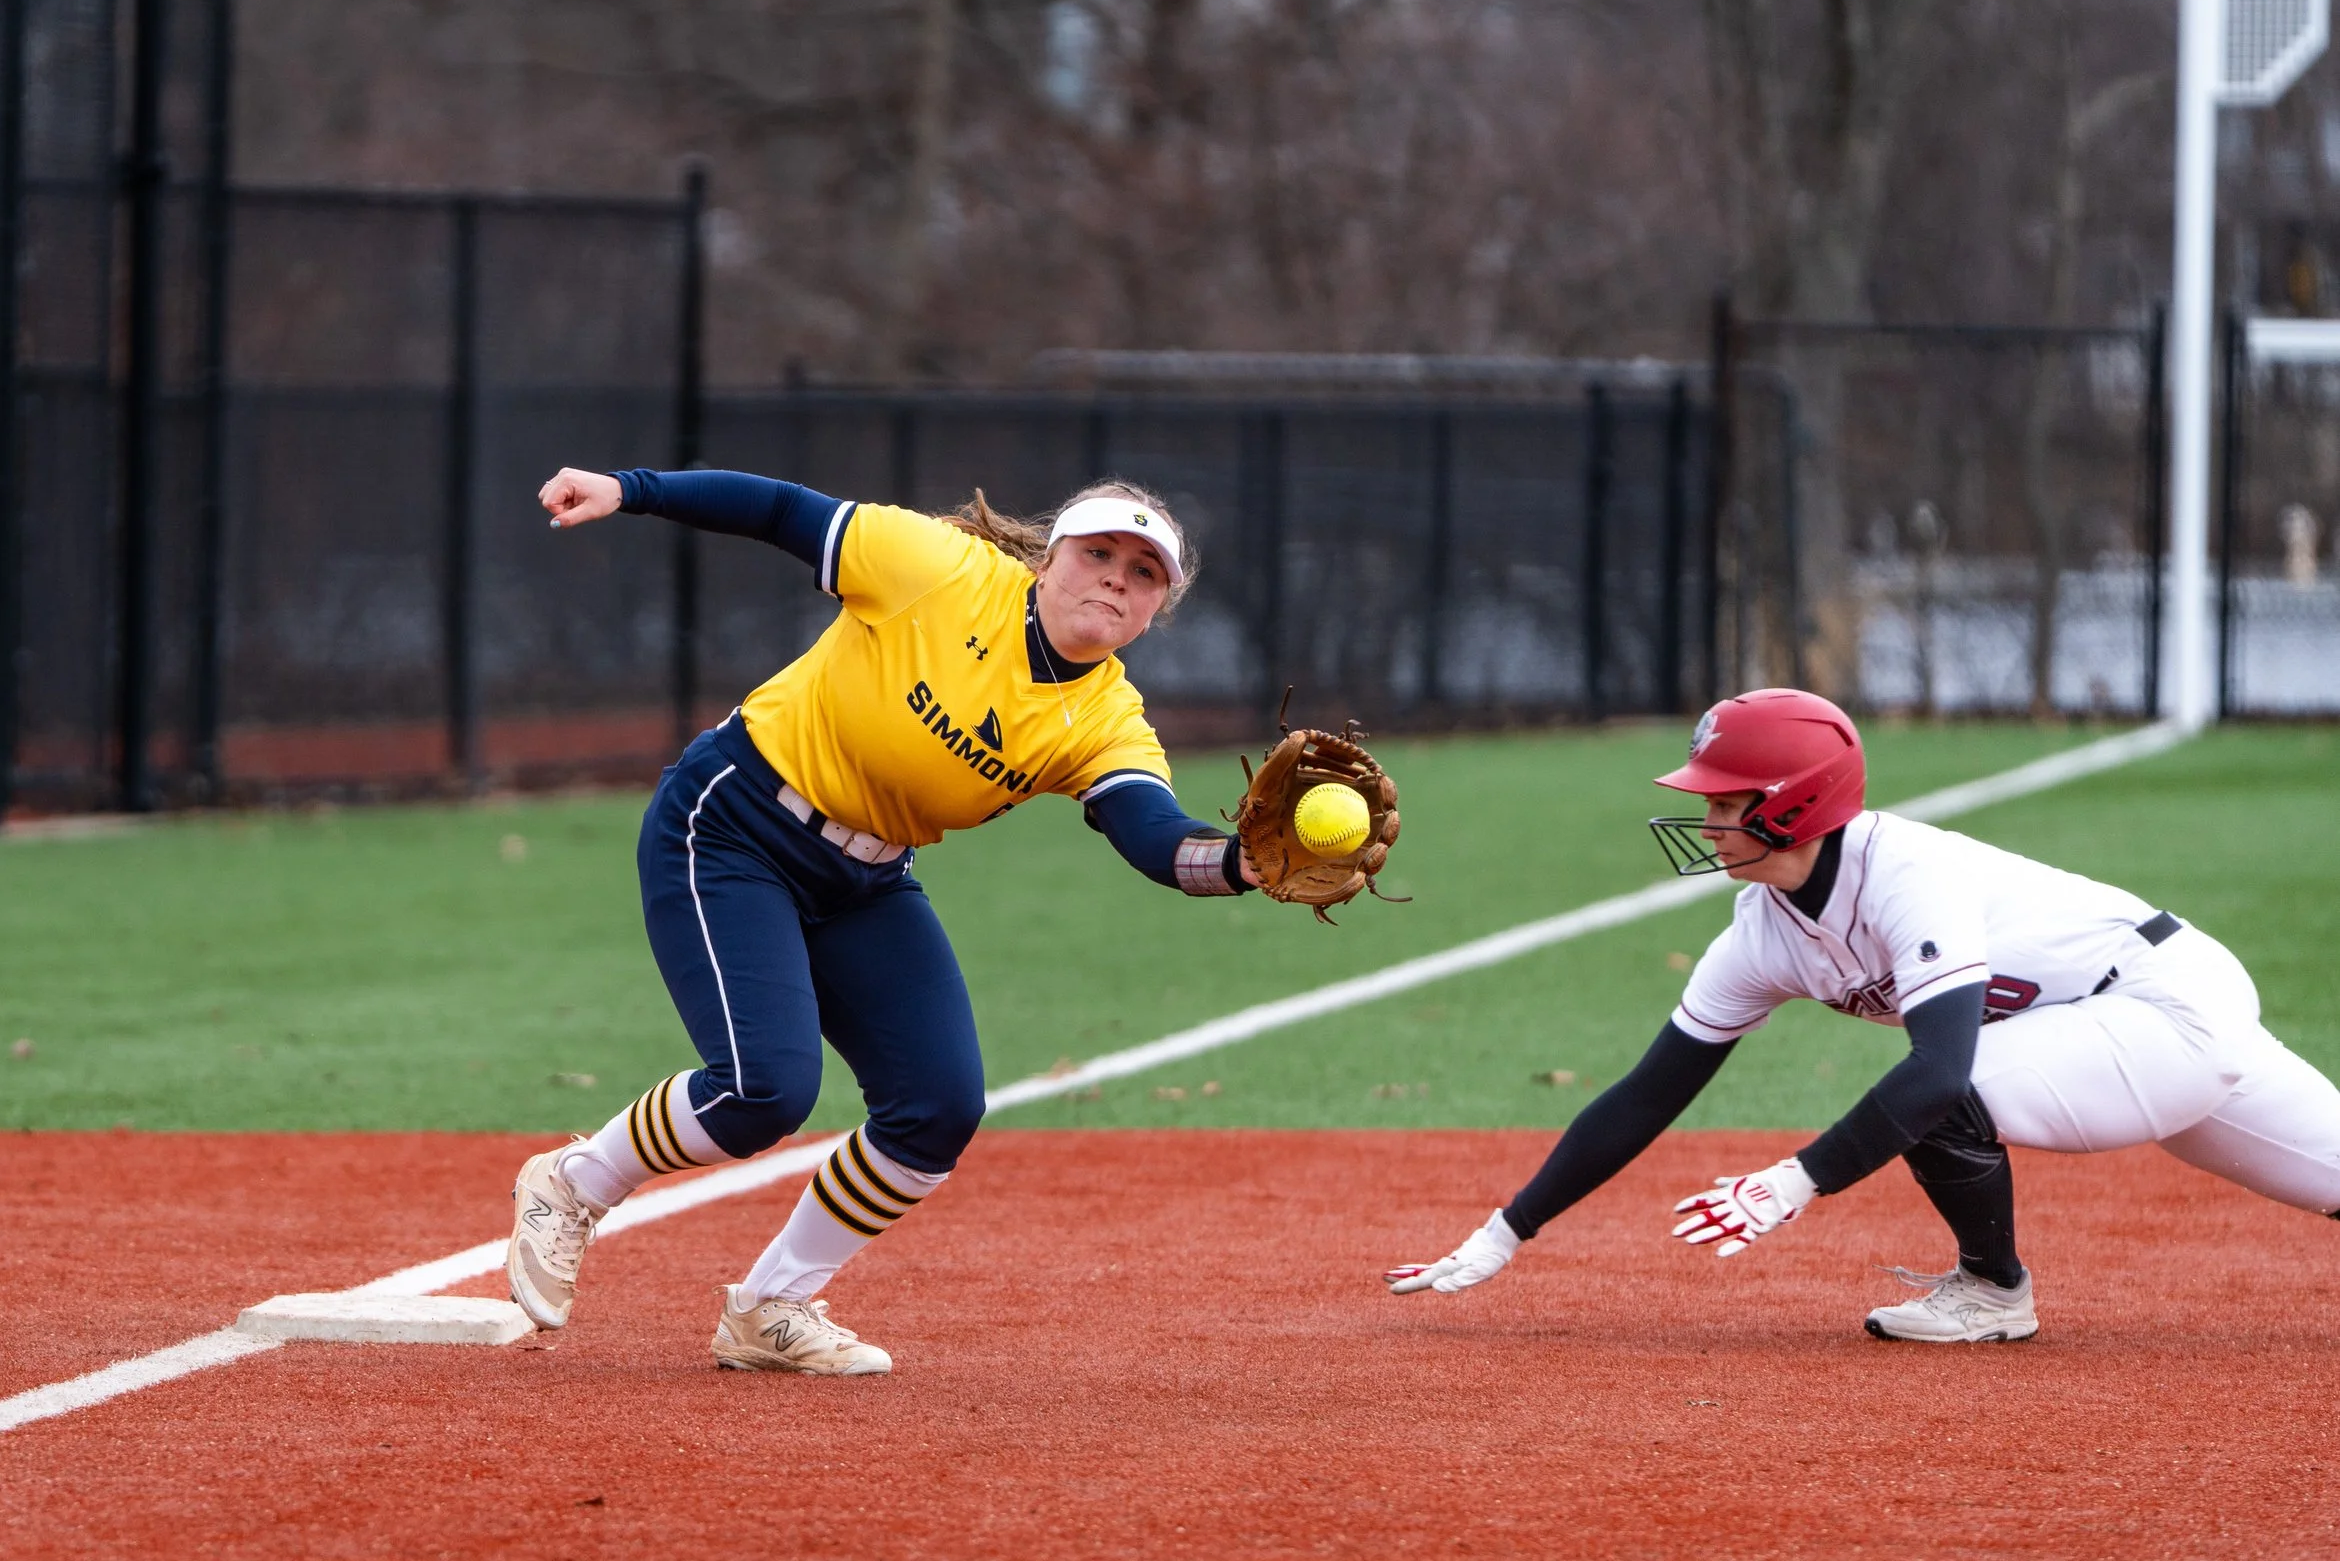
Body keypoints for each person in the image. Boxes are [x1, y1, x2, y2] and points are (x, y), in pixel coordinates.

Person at [506, 463, 1262, 1374]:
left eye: (1143, 573)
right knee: (764, 1090)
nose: (1115, 578)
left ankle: (769, 1307)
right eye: (1098, 553)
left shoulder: (1104, 716)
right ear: (1050, 560)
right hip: (735, 822)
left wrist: (1240, 862)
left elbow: (1151, 832)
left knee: (937, 1108)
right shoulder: (939, 570)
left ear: (1156, 610)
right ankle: (571, 1184)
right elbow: (784, 511)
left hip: (866, 878)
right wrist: (634, 489)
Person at [1386, 688, 2340, 1342]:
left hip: (2168, 1007)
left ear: (1792, 807)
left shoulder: (1905, 874)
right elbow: (1647, 1094)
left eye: (1723, 801)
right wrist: (1506, 1231)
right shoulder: (1761, 932)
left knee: (1943, 1092)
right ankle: (1990, 1287)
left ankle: (1993, 1291)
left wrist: (1794, 1182)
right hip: (2120, 1028)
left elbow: (1934, 1074)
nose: (1705, 819)